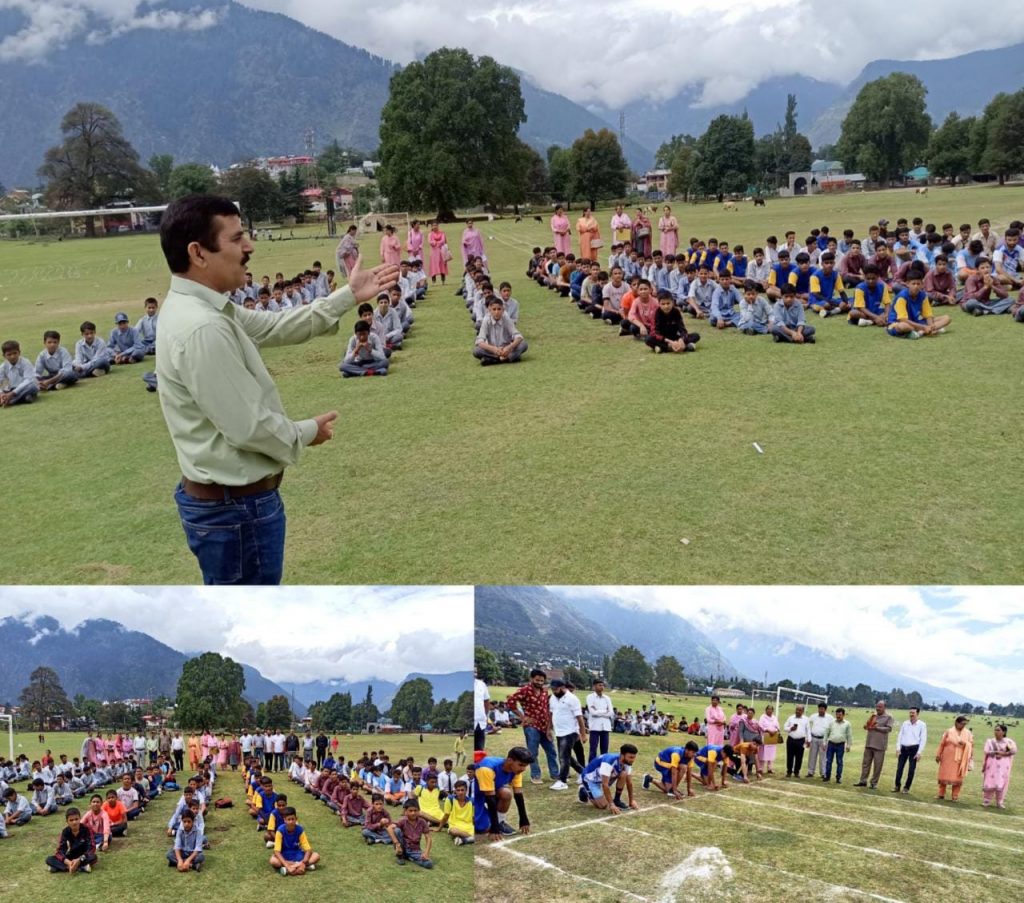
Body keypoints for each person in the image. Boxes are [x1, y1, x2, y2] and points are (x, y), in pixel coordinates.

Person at [155, 195, 398, 585]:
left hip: (230, 506)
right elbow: (249, 427)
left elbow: (274, 326)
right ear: (198, 253)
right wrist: (307, 431)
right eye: (236, 240)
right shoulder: (202, 327)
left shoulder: (205, 309)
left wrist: (348, 296)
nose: (249, 247)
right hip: (235, 511)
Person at [473, 748, 533, 841]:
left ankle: (500, 822)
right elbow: (490, 799)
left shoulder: (516, 770)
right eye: (521, 765)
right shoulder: (487, 768)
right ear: (510, 760)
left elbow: (518, 794)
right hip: (475, 795)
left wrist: (523, 819)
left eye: (525, 766)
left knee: (506, 793)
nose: (523, 769)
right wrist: (494, 828)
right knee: (483, 829)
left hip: (490, 791)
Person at [887, 267, 952, 338]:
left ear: (922, 284)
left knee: (947, 318)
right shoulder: (902, 297)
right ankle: (922, 331)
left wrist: (931, 326)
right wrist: (924, 327)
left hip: (916, 321)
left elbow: (928, 315)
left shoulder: (923, 295)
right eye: (913, 284)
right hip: (898, 323)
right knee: (903, 326)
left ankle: (922, 331)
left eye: (918, 284)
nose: (916, 286)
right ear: (907, 284)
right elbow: (903, 320)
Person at [578, 743, 639, 813]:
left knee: (623, 774)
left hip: (603, 777)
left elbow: (629, 783)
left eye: (634, 757)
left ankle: (617, 800)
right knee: (603, 805)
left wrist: (631, 801)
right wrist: (611, 804)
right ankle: (583, 791)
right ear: (622, 755)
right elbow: (605, 785)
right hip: (590, 779)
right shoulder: (609, 762)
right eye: (630, 757)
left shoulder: (627, 762)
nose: (633, 760)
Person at [549, 679, 586, 790]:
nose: (554, 691)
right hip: (559, 732)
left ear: (562, 687)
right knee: (566, 756)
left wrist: (583, 734)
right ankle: (584, 773)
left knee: (563, 757)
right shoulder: (552, 698)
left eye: (556, 689)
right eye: (552, 689)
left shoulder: (572, 699)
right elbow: (551, 714)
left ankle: (562, 781)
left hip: (570, 731)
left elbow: (580, 718)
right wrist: (548, 729)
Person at [474, 296, 527, 365]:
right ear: (489, 310)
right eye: (494, 309)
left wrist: (508, 348)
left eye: (499, 309)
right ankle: (508, 358)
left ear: (503, 310)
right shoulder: (486, 320)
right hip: (493, 350)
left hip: (507, 349)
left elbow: (518, 337)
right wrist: (494, 349)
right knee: (477, 351)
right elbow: (480, 341)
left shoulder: (506, 318)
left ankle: (493, 360)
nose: (497, 312)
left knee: (524, 344)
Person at [855, 700, 894, 789]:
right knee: (865, 763)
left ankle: (874, 783)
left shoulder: (888, 717)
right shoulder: (873, 716)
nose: (878, 708)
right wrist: (866, 726)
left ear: (884, 707)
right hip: (869, 743)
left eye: (880, 707)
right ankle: (863, 781)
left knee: (877, 765)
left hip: (880, 745)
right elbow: (866, 725)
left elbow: (888, 729)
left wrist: (877, 728)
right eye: (877, 706)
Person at [45, 807, 97, 874]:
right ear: (67, 822)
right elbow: (60, 851)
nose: (74, 822)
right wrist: (69, 863)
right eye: (71, 820)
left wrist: (79, 860)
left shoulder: (86, 829)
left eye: (76, 819)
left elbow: (92, 847)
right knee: (49, 859)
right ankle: (79, 867)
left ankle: (58, 868)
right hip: (71, 855)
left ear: (80, 819)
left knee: (93, 857)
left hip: (84, 856)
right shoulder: (65, 832)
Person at [271, 807, 319, 876]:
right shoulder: (280, 830)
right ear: (284, 820)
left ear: (296, 819)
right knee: (273, 861)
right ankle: (300, 867)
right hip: (285, 855)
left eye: (293, 819)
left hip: (297, 854)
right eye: (289, 819)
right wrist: (287, 865)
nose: (291, 822)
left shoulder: (300, 829)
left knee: (316, 856)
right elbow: (276, 851)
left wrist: (303, 862)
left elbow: (308, 849)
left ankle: (295, 868)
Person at [935, 715, 974, 801]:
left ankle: (955, 796)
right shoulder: (949, 731)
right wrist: (938, 754)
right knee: (943, 775)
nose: (963, 726)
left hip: (960, 759)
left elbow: (971, 745)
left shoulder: (968, 733)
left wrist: (965, 743)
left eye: (965, 724)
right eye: (962, 724)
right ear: (956, 722)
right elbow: (942, 744)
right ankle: (941, 794)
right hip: (947, 758)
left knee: (958, 777)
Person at [389, 798, 433, 868]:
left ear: (419, 811)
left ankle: (410, 857)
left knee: (429, 864)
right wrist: (397, 844)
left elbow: (428, 837)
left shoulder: (422, 822)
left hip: (415, 850)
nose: (413, 813)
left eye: (415, 810)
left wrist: (426, 853)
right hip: (403, 847)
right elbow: (390, 828)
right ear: (406, 811)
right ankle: (400, 856)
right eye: (410, 811)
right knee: (397, 830)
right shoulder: (403, 821)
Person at [893, 707, 928, 794]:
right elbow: (900, 736)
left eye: (913, 713)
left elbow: (923, 739)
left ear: (917, 714)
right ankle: (897, 786)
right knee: (899, 768)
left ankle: (906, 788)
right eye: (910, 713)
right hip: (903, 748)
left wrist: (919, 752)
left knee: (911, 770)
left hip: (914, 749)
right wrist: (898, 748)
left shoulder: (922, 725)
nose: (911, 714)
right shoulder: (905, 723)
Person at [981, 724, 1016, 809]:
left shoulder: (1008, 742)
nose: (996, 732)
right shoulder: (990, 741)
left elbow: (1013, 751)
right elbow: (987, 751)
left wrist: (1002, 753)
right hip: (992, 765)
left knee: (1001, 782)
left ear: (1003, 732)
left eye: (998, 730)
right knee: (989, 781)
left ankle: (999, 802)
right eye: (995, 730)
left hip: (1003, 767)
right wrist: (997, 752)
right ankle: (986, 800)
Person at [0, 340, 40, 407]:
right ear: (4, 356)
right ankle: (25, 398)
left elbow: (28, 380)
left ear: (19, 353)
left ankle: (11, 401)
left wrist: (12, 393)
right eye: (9, 354)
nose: (12, 356)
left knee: (33, 386)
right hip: (10, 389)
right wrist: (1, 394)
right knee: (4, 387)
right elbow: (1, 383)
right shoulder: (3, 367)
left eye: (15, 353)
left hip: (25, 388)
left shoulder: (25, 362)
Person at [439, 780, 474, 845]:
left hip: (468, 825)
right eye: (458, 790)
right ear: (455, 791)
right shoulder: (450, 799)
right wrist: (439, 828)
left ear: (466, 790)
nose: (460, 792)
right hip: (454, 825)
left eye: (462, 790)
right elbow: (446, 816)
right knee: (453, 831)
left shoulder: (471, 801)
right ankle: (471, 838)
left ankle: (464, 840)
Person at [586, 679, 614, 760]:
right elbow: (592, 713)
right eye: (600, 685)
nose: (602, 687)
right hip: (594, 727)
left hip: (605, 727)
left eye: (603, 685)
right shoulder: (590, 697)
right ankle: (591, 769)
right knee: (593, 749)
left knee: (604, 750)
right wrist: (605, 711)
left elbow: (611, 713)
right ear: (594, 686)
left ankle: (603, 768)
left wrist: (598, 711)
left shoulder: (607, 698)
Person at [823, 707, 852, 783]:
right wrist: (824, 742)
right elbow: (826, 733)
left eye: (840, 715)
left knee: (839, 762)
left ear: (843, 715)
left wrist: (848, 745)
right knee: (828, 761)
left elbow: (849, 735)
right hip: (831, 744)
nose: (838, 716)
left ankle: (838, 778)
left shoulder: (847, 724)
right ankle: (827, 776)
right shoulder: (831, 722)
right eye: (837, 714)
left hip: (840, 745)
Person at [806, 703, 833, 779]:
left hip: (823, 739)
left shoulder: (830, 718)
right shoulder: (813, 716)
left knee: (823, 757)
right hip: (814, 738)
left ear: (825, 709)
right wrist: (808, 738)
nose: (821, 710)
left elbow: (832, 728)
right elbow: (807, 724)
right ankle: (810, 772)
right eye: (819, 709)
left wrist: (827, 739)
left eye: (822, 709)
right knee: (812, 756)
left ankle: (823, 773)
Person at [783, 705, 809, 777]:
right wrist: (790, 728)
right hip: (791, 739)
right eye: (797, 710)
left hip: (801, 740)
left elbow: (808, 730)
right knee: (790, 756)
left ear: (803, 711)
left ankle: (797, 772)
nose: (797, 711)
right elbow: (785, 727)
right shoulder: (791, 718)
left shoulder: (806, 719)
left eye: (800, 710)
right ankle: (789, 771)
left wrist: (809, 740)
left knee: (799, 757)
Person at [756, 705, 780, 774]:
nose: (769, 711)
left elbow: (778, 726)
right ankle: (761, 768)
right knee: (763, 752)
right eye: (768, 709)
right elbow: (760, 725)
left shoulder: (774, 718)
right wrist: (768, 730)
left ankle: (770, 768)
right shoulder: (762, 717)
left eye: (771, 709)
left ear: (773, 710)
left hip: (772, 737)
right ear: (766, 710)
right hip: (765, 736)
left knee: (771, 752)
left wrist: (775, 731)